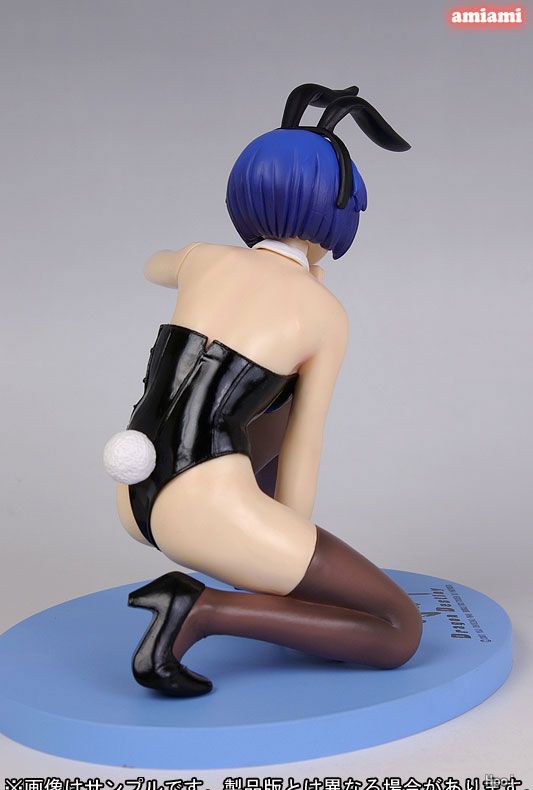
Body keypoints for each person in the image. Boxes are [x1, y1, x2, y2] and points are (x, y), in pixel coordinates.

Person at [106, 83, 423, 697]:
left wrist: (193, 263)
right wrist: (289, 550)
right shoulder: (325, 314)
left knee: (269, 398)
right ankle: (198, 611)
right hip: (205, 508)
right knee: (397, 628)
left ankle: (247, 578)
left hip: (133, 491)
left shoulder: (201, 259)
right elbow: (305, 446)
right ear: (336, 211)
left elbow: (153, 264)